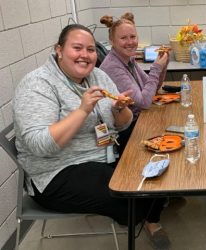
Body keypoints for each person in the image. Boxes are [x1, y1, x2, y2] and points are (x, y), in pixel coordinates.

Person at [13, 24, 170, 249]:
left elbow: (123, 125)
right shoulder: (38, 84)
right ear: (59, 49)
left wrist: (119, 110)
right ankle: (139, 216)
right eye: (77, 48)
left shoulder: (98, 75)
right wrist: (82, 110)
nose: (85, 56)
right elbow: (40, 146)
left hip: (102, 155)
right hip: (56, 173)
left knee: (156, 165)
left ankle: (147, 211)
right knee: (134, 196)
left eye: (90, 50)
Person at [100, 12, 169, 154]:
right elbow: (144, 102)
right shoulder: (113, 66)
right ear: (112, 41)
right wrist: (156, 68)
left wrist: (163, 65)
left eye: (133, 36)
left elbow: (151, 90)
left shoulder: (128, 59)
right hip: (124, 132)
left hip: (139, 121)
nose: (130, 42)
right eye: (123, 38)